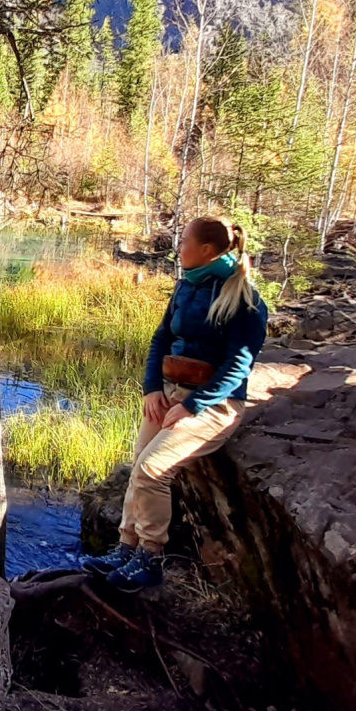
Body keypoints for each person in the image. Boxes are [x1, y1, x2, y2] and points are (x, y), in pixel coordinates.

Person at [83, 216, 268, 589]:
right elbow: (161, 340)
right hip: (170, 393)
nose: (178, 248)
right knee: (140, 462)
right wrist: (153, 389)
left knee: (152, 469)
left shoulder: (245, 299)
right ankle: (126, 547)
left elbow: (238, 366)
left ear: (206, 250)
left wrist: (193, 405)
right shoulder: (186, 287)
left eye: (184, 241)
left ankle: (151, 557)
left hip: (215, 405)